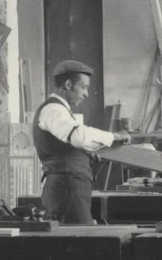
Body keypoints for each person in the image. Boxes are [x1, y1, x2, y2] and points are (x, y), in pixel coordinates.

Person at [33, 59, 131, 224]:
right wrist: (113, 137)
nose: (86, 93)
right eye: (84, 87)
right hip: (67, 192)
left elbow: (72, 142)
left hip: (71, 191)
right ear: (69, 85)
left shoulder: (61, 110)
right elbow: (78, 136)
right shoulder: (53, 109)